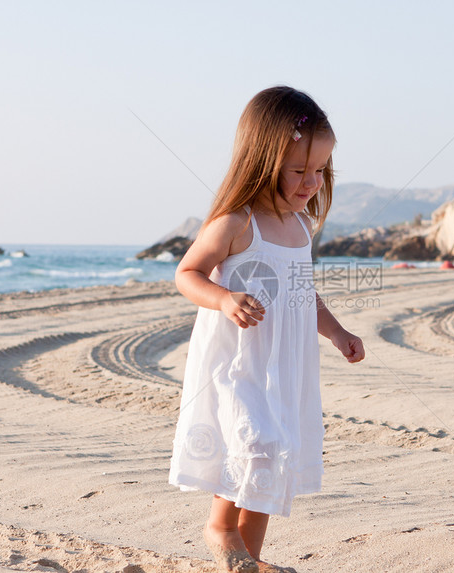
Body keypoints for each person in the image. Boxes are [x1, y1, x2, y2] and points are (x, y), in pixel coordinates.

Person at [170, 86, 365, 573]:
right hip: (240, 362)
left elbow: (302, 293)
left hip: (284, 366)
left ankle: (248, 561)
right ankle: (219, 528)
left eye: (320, 170)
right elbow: (186, 274)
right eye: (299, 171)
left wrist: (337, 332)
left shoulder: (299, 227)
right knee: (254, 447)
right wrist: (224, 298)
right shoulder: (236, 222)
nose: (311, 181)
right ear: (262, 159)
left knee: (273, 458)